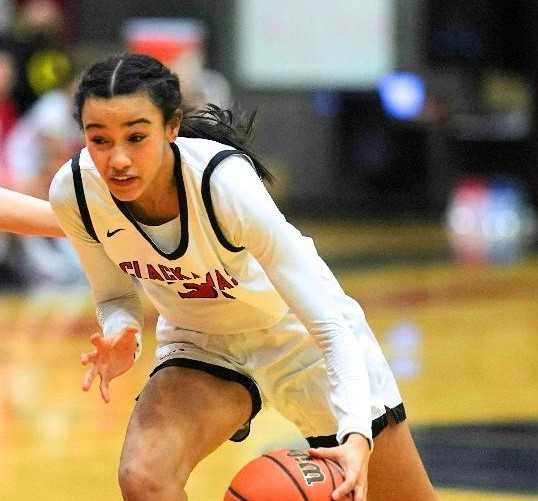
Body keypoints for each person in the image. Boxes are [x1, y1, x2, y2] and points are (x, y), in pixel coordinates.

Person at [49, 53, 438, 501]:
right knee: (143, 477)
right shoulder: (76, 191)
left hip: (300, 337)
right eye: (99, 140)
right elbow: (115, 297)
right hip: (203, 341)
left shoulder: (223, 183)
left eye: (136, 137)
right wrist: (123, 331)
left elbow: (330, 328)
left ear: (171, 128)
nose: (117, 160)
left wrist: (354, 434)